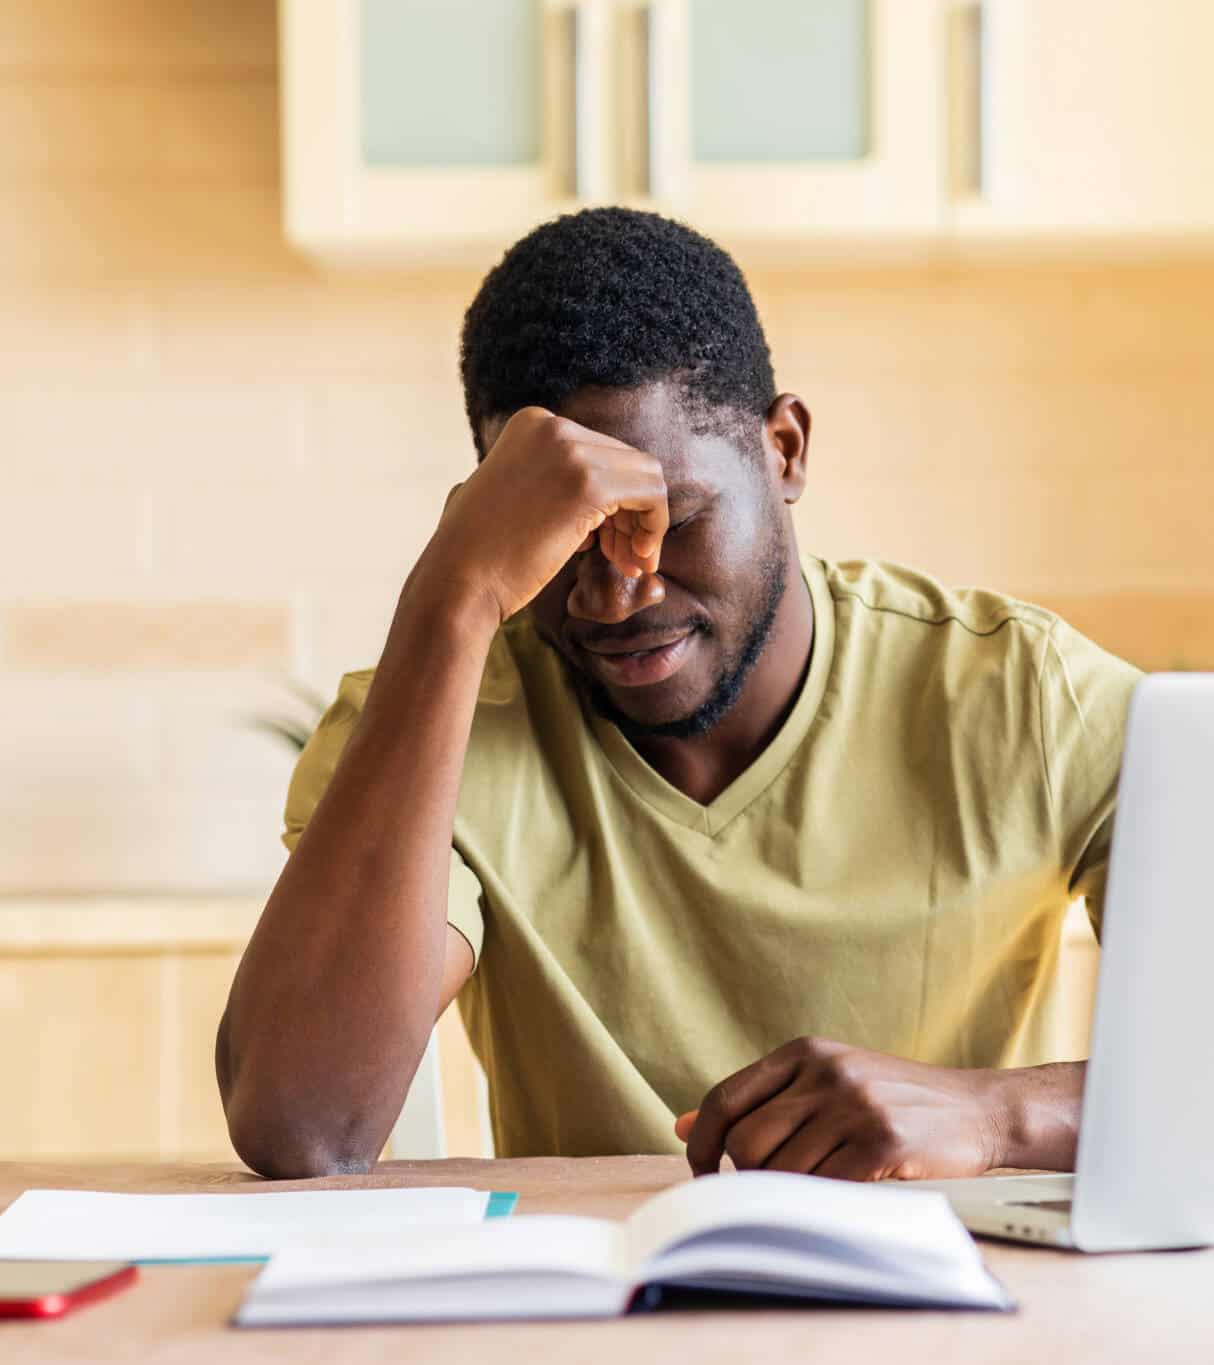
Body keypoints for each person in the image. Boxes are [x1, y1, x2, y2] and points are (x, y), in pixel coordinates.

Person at [216, 207, 1140, 1181]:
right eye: (568, 535)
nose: (617, 595)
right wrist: (455, 597)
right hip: (593, 1316)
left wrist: (997, 1115)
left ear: (783, 450)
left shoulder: (1024, 700)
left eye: (676, 520)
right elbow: (302, 1127)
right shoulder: (433, 719)